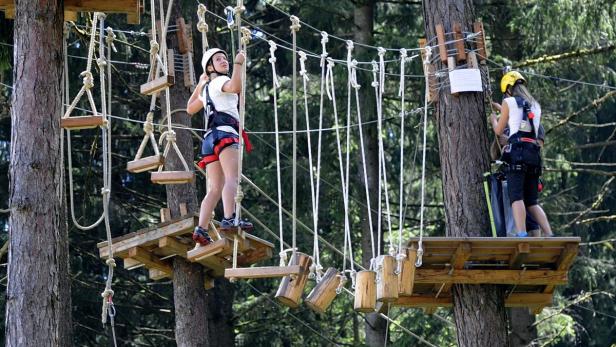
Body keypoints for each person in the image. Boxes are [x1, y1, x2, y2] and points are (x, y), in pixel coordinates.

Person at [187, 48, 253, 246]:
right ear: (210, 67)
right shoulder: (218, 82)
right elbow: (234, 86)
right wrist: (239, 64)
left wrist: (200, 84)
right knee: (231, 178)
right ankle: (230, 217)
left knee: (215, 188)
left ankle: (201, 228)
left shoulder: (208, 88)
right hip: (224, 134)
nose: (224, 61)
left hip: (210, 139)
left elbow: (190, 108)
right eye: (218, 59)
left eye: (226, 58)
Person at [490, 71, 553, 237]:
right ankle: (549, 233)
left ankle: (521, 234)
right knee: (532, 201)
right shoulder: (535, 105)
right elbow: (523, 123)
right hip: (533, 155)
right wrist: (503, 110)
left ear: (508, 89)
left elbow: (498, 130)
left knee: (516, 197)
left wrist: (493, 119)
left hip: (517, 154)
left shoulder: (508, 101)